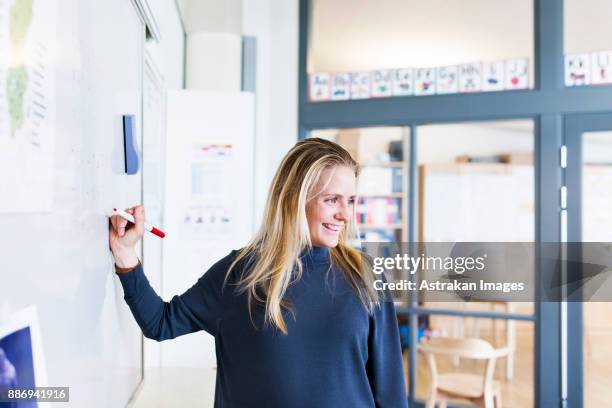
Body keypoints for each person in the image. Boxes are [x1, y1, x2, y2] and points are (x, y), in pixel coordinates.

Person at [109, 138, 408, 407]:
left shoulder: (365, 275)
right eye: (331, 200)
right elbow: (159, 323)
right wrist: (125, 254)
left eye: (351, 200)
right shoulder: (238, 274)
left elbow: (390, 392)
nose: (345, 214)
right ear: (294, 198)